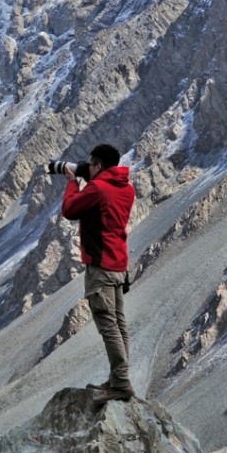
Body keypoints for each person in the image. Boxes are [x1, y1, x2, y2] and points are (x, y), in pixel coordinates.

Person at [60, 143, 137, 404]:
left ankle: (122, 384)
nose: (87, 167)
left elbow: (70, 210)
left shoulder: (98, 188)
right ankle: (118, 379)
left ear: (99, 166)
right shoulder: (127, 188)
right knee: (119, 324)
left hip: (101, 267)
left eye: (90, 164)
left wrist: (73, 183)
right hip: (119, 264)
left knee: (108, 327)